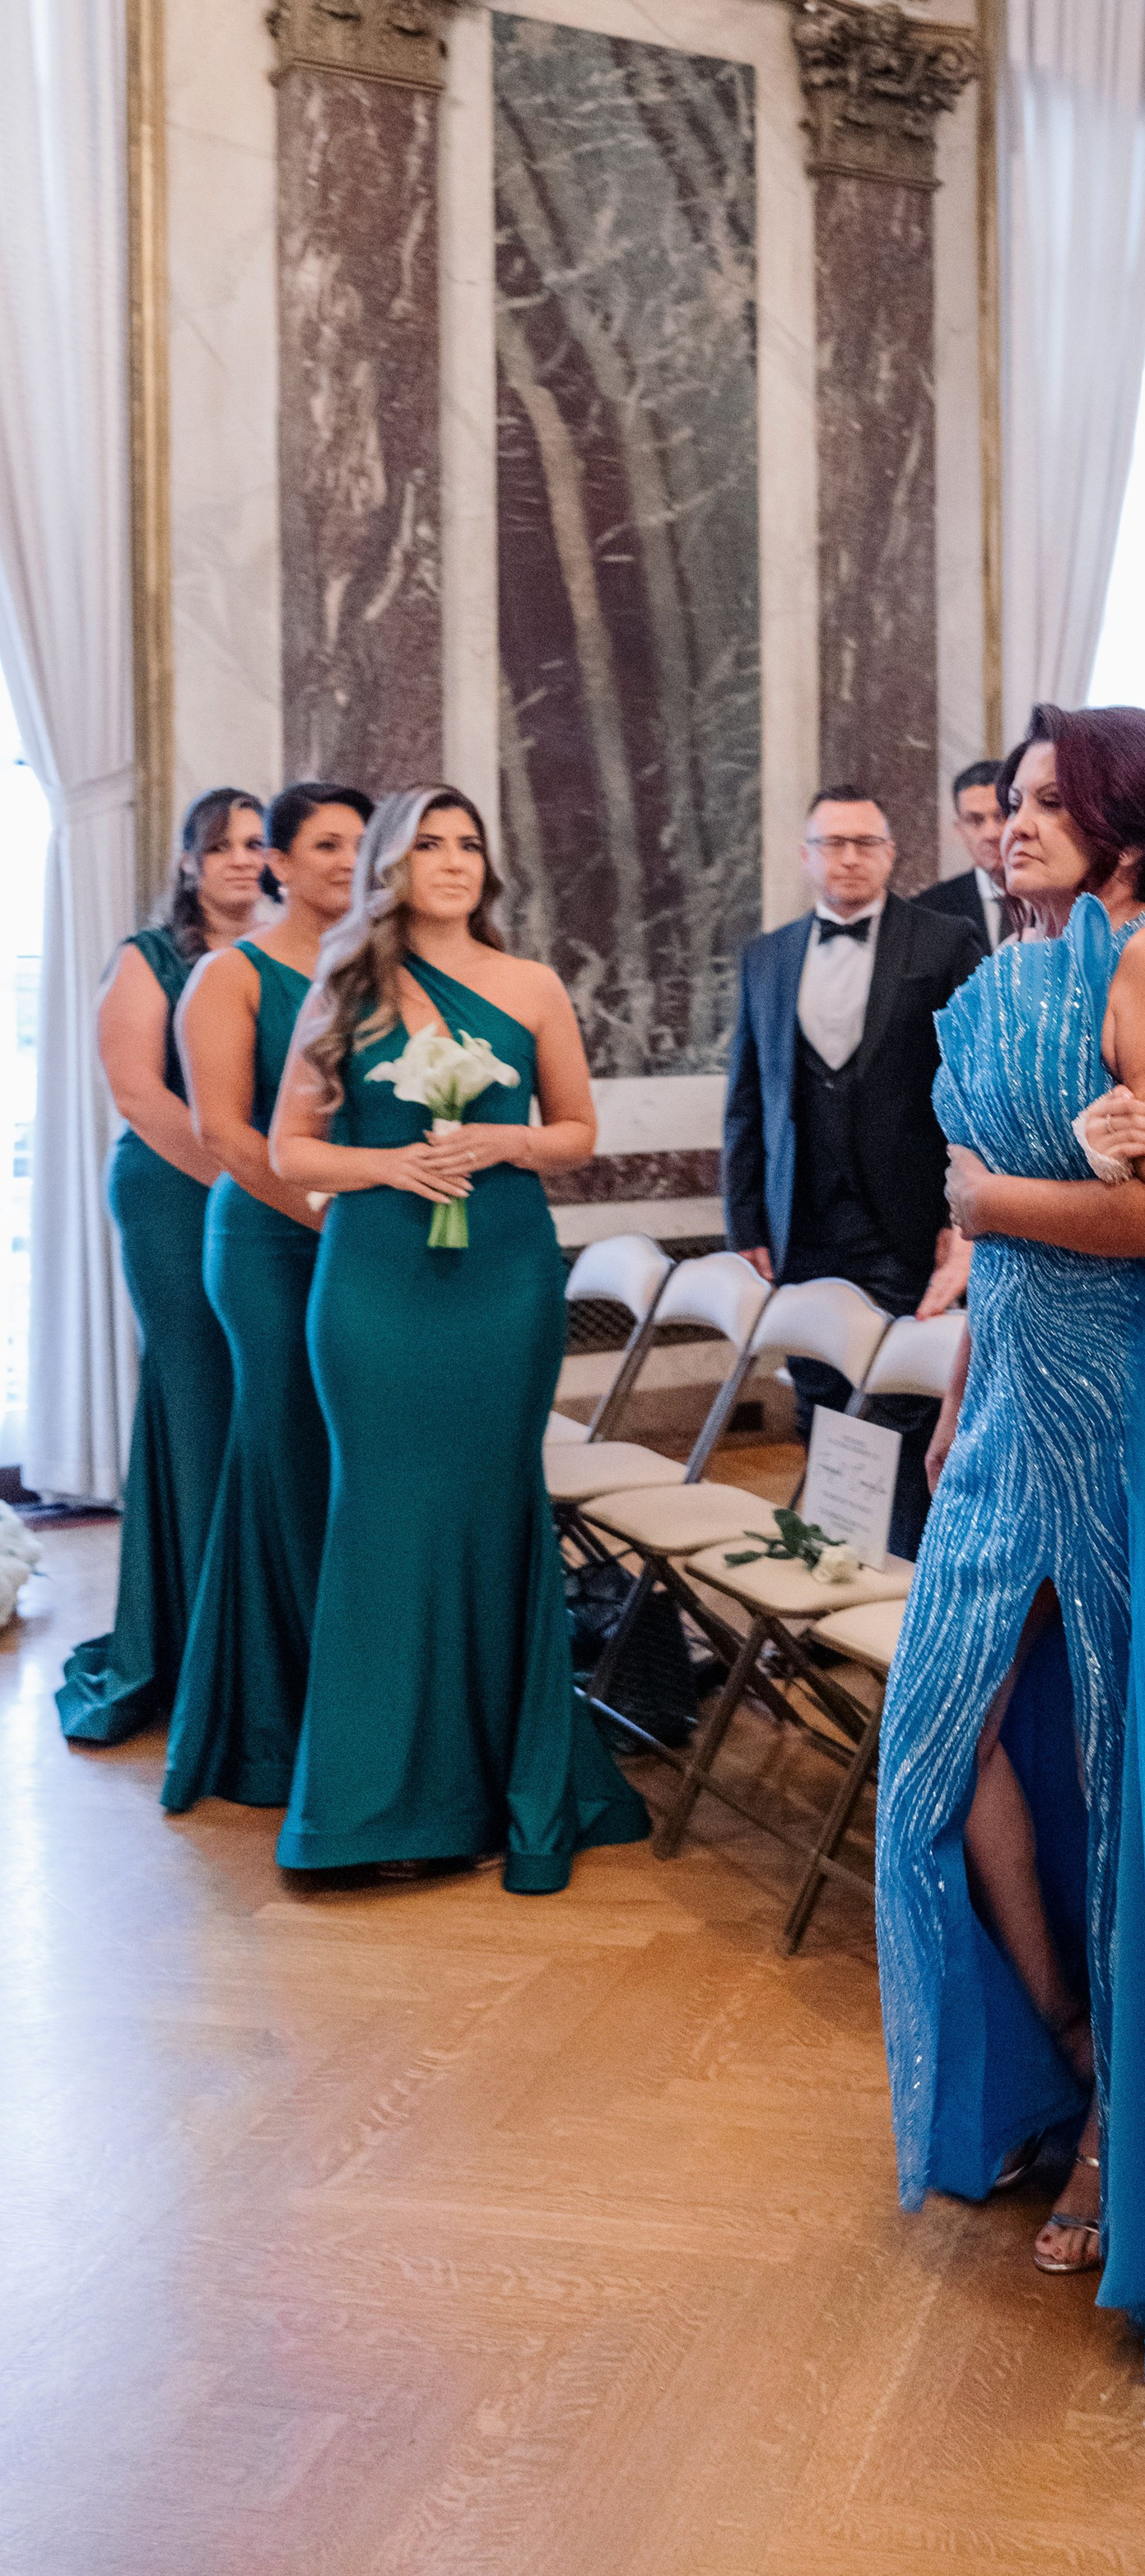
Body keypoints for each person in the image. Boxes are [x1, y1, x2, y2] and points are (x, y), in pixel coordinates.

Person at [873, 704, 1145, 2376]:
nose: (1012, 822)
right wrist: (964, 1378)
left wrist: (986, 1206)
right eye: (1007, 802)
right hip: (1008, 1407)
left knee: (1127, 1762)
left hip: (1140, 1398)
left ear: (1119, 813)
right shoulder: (1000, 975)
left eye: (1048, 801)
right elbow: (1020, 1216)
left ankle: (1134, 2117)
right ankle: (1056, 2034)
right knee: (936, 1745)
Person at [270, 786, 651, 1890]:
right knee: (382, 1519)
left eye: (469, 843)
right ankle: (370, 1802)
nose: (452, 860)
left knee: (494, 1513)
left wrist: (503, 1138)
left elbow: (579, 1133)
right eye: (429, 843)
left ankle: (507, 1785)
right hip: (378, 1282)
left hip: (503, 1278)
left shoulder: (530, 985)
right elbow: (292, 1150)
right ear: (392, 863)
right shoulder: (343, 986)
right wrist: (390, 1164)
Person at [161, 780, 373, 1814]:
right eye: (325, 843)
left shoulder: (387, 970)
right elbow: (225, 1134)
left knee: (354, 1466)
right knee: (286, 1451)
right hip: (267, 1242)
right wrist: (330, 1215)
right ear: (276, 863)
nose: (348, 859)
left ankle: (360, 1694)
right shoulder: (228, 973)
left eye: (362, 843)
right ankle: (279, 1721)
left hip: (374, 1248)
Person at [722, 787, 983, 1556]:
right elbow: (747, 1097)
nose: (849, 857)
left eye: (866, 842)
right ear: (806, 856)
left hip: (906, 1220)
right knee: (821, 1400)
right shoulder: (765, 957)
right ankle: (831, 1566)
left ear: (891, 854)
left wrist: (959, 1217)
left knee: (899, 1405)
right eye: (833, 843)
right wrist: (745, 1222)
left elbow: (972, 1088)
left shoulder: (944, 941)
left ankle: (899, 1584)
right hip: (800, 1221)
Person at [56, 788, 263, 1745]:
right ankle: (182, 1640)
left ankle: (250, 1626)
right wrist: (237, 1177)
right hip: (175, 1192)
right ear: (187, 862)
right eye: (219, 846)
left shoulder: (273, 956)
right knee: (194, 1391)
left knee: (253, 1396)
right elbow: (138, 1092)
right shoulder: (149, 959)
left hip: (262, 1195)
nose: (238, 861)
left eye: (255, 845)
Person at [917, 760, 1008, 951]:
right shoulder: (929, 910)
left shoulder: (1064, 897)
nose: (990, 834)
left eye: (1001, 817)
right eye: (975, 820)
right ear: (960, 829)